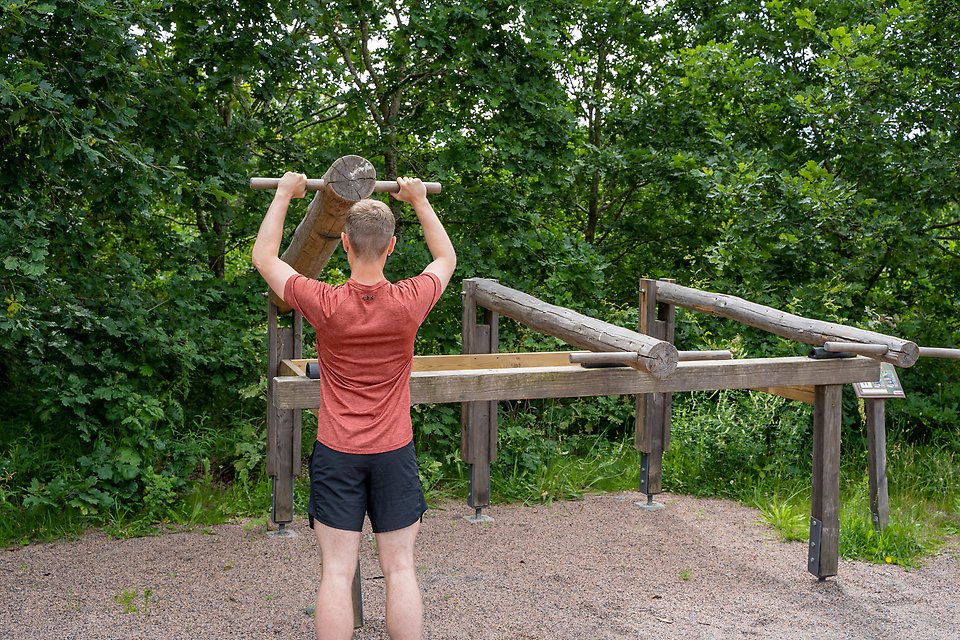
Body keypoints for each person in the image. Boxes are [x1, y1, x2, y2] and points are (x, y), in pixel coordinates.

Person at [251, 172, 456, 640]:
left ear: (344, 243)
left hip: (338, 452)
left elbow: (264, 258)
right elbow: (445, 257)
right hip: (393, 452)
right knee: (401, 568)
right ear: (391, 246)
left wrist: (284, 193)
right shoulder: (410, 301)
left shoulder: (325, 302)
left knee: (337, 572)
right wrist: (420, 200)